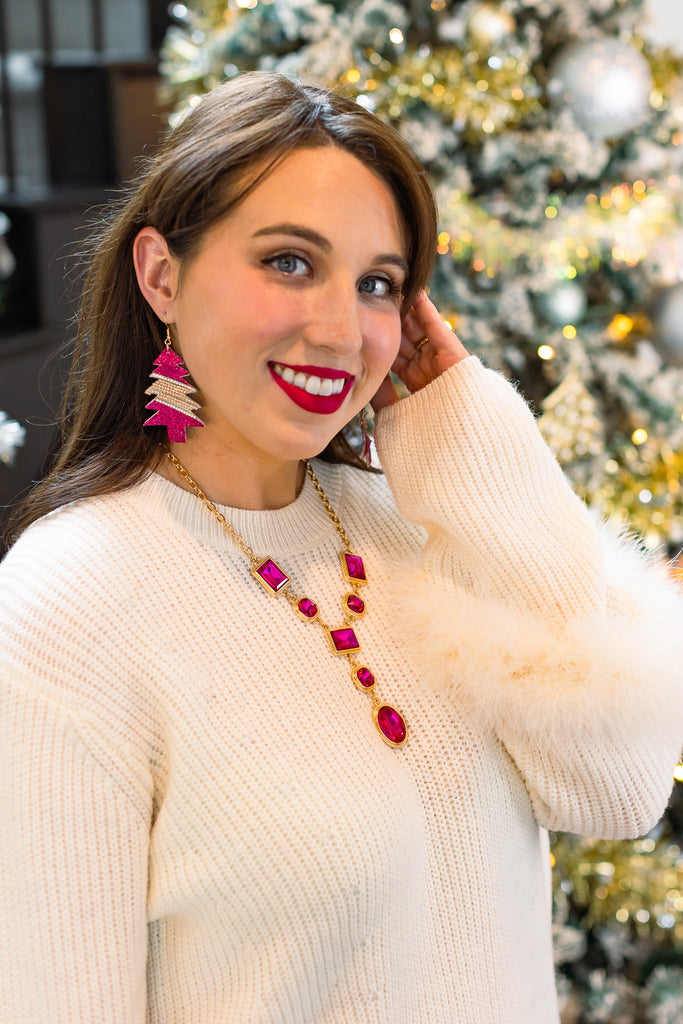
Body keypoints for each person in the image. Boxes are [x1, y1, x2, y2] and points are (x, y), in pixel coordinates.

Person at [1, 71, 681, 1024]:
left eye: (377, 284)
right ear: (161, 275)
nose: (338, 330)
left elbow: (619, 790)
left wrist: (470, 432)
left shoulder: (415, 528)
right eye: (287, 261)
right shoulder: (71, 599)